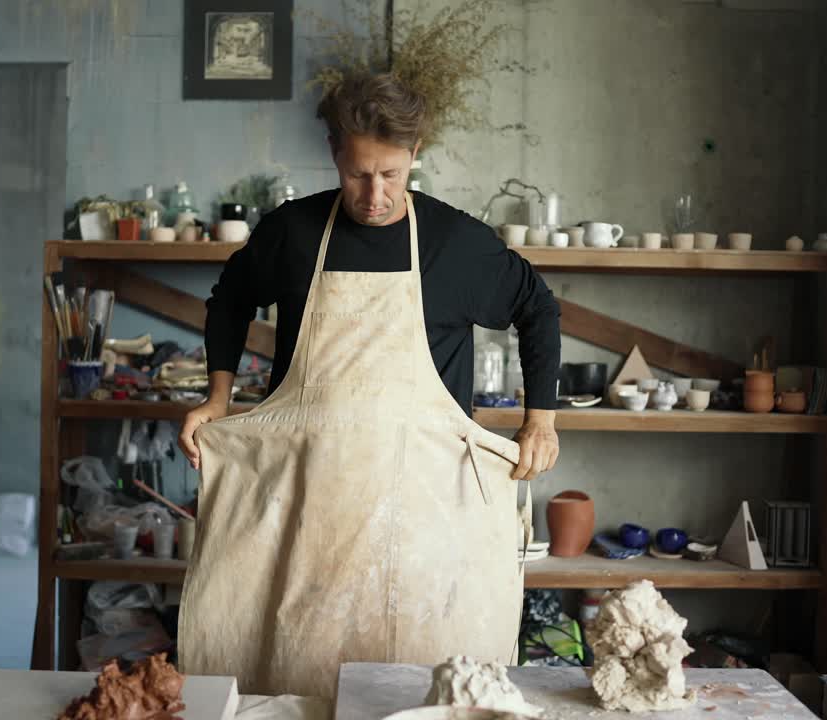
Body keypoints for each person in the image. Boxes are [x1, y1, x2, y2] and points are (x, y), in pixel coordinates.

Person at [175, 72, 563, 697]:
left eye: (390, 173)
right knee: (290, 675)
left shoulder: (455, 243)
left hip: (427, 518)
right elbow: (229, 301)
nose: (375, 193)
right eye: (359, 174)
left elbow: (537, 307)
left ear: (415, 154)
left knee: (425, 684)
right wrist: (216, 398)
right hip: (307, 511)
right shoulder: (293, 233)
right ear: (334, 152)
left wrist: (540, 416)